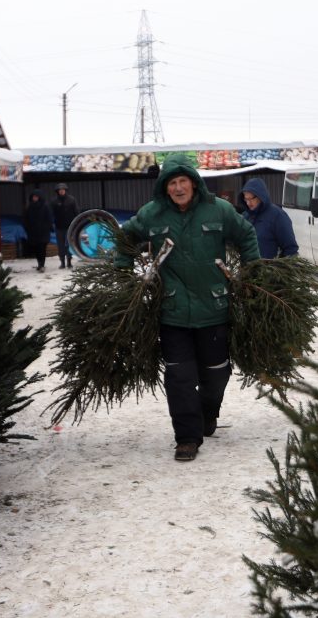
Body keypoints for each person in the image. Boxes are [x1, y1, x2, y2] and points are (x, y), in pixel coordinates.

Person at [116, 153, 260, 462]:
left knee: (215, 375)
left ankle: (208, 412)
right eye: (172, 183)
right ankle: (187, 438)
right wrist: (122, 273)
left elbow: (246, 234)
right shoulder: (152, 214)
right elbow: (126, 237)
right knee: (179, 378)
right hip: (172, 312)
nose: (178, 188)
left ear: (194, 183)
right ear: (164, 188)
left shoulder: (218, 210)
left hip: (214, 307)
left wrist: (251, 273)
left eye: (183, 181)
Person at [241, 177, 299, 258]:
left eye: (250, 199)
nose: (248, 203)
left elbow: (290, 250)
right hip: (248, 268)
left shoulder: (278, 216)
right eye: (246, 199)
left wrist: (279, 268)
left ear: (260, 196)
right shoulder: (245, 216)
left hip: (268, 268)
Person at [50, 182, 80, 269]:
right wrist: (51, 224)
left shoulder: (71, 200)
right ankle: (62, 262)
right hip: (59, 226)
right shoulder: (54, 201)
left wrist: (77, 223)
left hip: (69, 226)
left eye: (63, 190)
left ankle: (69, 262)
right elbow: (51, 214)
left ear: (65, 190)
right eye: (60, 190)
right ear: (57, 191)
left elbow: (76, 212)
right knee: (61, 245)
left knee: (69, 244)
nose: (62, 191)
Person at [24, 189, 54, 271]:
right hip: (33, 232)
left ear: (40, 197)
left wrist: (49, 227)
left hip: (43, 231)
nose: (35, 198)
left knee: (42, 248)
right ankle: (39, 264)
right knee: (36, 249)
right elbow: (26, 219)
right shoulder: (29, 207)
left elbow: (49, 218)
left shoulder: (45, 206)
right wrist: (27, 228)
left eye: (36, 197)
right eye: (33, 197)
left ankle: (42, 265)